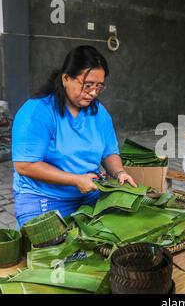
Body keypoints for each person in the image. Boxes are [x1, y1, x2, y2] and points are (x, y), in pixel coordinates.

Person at [12, 45, 137, 228]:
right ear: (66, 78)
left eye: (99, 86)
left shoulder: (99, 114)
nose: (93, 92)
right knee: (53, 250)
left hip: (89, 193)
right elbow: (25, 165)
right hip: (44, 196)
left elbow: (109, 153)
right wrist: (75, 179)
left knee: (121, 232)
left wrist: (120, 173)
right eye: (87, 85)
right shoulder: (38, 112)